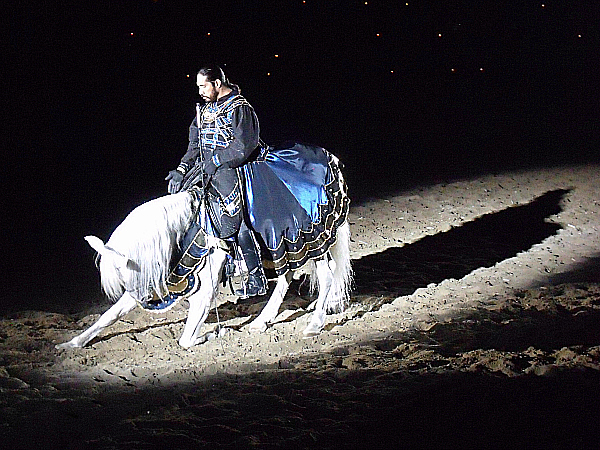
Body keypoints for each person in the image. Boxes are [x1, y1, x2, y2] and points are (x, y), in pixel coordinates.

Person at [165, 64, 267, 298]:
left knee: (234, 217)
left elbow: (244, 145)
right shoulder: (204, 111)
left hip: (234, 166)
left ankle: (255, 275)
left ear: (217, 84)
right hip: (208, 167)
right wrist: (181, 169)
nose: (200, 91)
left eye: (203, 86)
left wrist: (217, 160)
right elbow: (195, 145)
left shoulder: (240, 108)